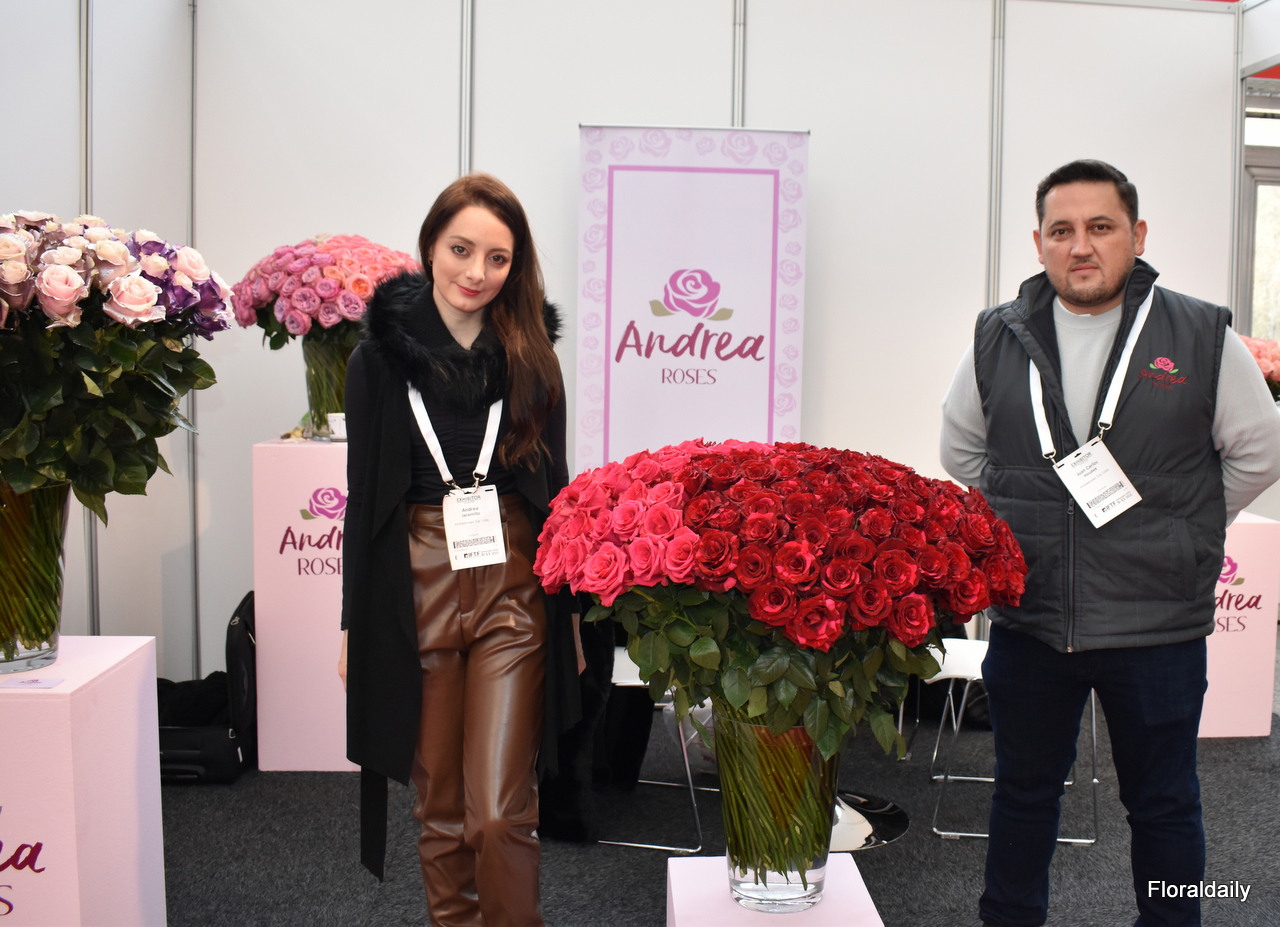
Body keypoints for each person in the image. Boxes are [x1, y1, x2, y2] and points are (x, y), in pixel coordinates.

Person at [940, 159, 1280, 927]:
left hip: (1155, 625)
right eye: (1062, 230)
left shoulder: (1200, 333)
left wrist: (1184, 527)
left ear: (1137, 235)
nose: (1081, 245)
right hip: (1032, 619)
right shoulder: (998, 335)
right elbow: (961, 449)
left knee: (1163, 803)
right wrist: (1026, 519)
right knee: (1023, 795)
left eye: (1101, 226)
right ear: (1039, 243)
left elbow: (1261, 449)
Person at [339, 173, 581, 927]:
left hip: (511, 580)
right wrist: (352, 623)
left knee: (501, 811)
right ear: (430, 246)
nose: (477, 273)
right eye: (461, 250)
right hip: (414, 584)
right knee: (440, 806)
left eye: (498, 258)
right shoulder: (376, 361)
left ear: (517, 265)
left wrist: (572, 619)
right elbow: (361, 499)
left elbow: (557, 494)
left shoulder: (532, 358)